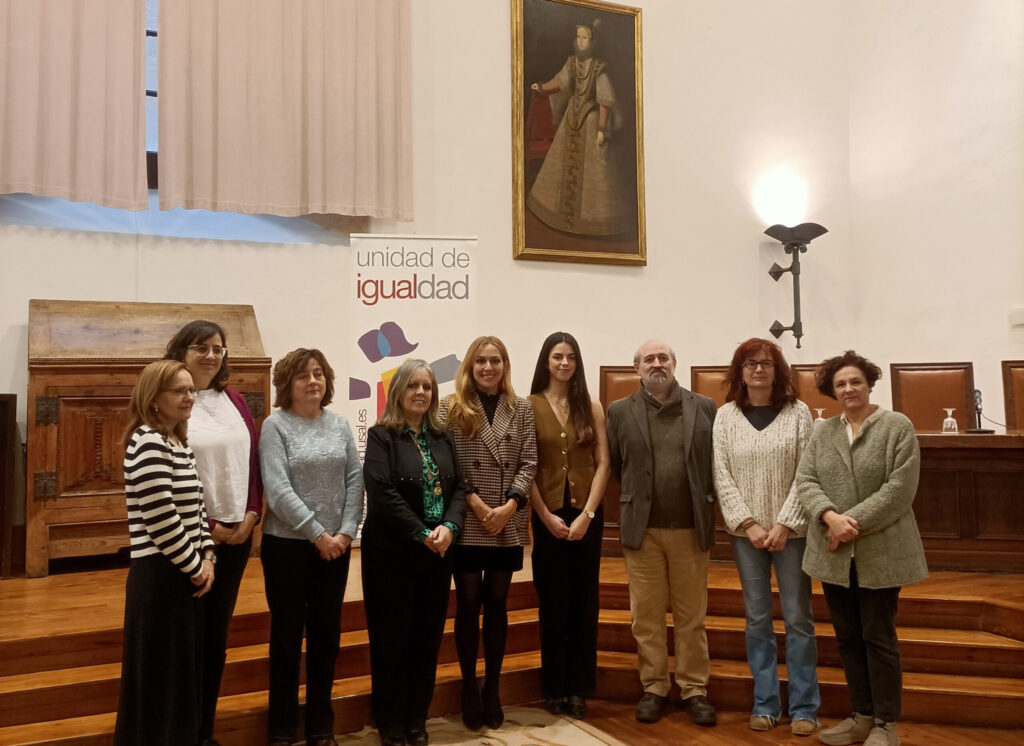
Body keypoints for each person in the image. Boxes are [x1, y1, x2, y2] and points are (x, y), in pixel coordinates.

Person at [797, 351, 927, 746]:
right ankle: (861, 716)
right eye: (841, 384)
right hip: (833, 552)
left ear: (869, 384)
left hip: (881, 551)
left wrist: (848, 523)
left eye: (855, 381)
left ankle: (886, 724)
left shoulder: (896, 426)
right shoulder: (823, 431)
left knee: (878, 637)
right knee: (848, 637)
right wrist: (828, 516)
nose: (849, 389)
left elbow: (899, 489)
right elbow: (806, 480)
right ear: (832, 391)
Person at [605, 339, 717, 727]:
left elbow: (713, 462)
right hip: (643, 530)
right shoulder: (620, 411)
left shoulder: (705, 407)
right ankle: (654, 686)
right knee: (646, 618)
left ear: (675, 364)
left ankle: (694, 689)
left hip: (691, 528)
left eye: (663, 358)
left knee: (691, 618)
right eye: (649, 359)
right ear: (636, 368)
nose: (657, 364)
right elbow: (616, 464)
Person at [712, 338, 819, 736]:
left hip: (793, 534)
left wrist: (785, 523)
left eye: (767, 363)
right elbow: (720, 475)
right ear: (739, 371)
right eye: (751, 363)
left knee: (798, 618)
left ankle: (805, 707)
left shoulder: (799, 413)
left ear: (778, 370)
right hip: (747, 536)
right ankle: (765, 702)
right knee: (757, 618)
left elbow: (807, 472)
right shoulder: (725, 417)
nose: (759, 369)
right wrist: (749, 524)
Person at [259, 348, 364, 746]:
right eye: (303, 375)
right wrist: (318, 534)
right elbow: (277, 488)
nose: (313, 381)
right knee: (287, 638)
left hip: (335, 548)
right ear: (288, 384)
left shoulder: (339, 424)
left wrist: (347, 532)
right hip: (287, 547)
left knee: (326, 638)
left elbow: (354, 479)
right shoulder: (275, 426)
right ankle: (282, 729)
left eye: (318, 373)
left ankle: (321, 725)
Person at [164, 320, 262, 746]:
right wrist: (210, 529)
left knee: (214, 638)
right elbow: (167, 479)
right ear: (181, 352)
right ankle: (180, 733)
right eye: (200, 347)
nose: (210, 355)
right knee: (185, 641)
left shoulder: (235, 400)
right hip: (189, 539)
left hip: (237, 536)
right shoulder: (169, 403)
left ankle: (204, 732)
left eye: (217, 348)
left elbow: (252, 462)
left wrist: (252, 515)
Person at [361, 359, 469, 746]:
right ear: (398, 391)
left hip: (437, 554)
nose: (421, 392)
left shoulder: (444, 436)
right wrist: (422, 533)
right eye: (413, 386)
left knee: (427, 638)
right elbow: (382, 492)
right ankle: (390, 721)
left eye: (427, 386)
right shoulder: (382, 436)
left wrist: (450, 527)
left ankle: (416, 719)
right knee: (391, 640)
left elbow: (461, 487)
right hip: (391, 554)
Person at [114, 360, 215, 746]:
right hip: (159, 578)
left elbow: (197, 509)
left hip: (183, 573)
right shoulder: (148, 441)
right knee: (158, 684)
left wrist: (209, 555)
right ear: (154, 399)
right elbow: (161, 518)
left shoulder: (176, 441)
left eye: (191, 390)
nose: (189, 397)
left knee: (179, 680)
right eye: (179, 391)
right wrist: (196, 566)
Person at [439, 336, 538, 730]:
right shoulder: (450, 407)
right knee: (467, 603)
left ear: (505, 366)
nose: (488, 367)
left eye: (495, 361)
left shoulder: (522, 408)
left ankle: (492, 687)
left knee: (497, 602)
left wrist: (511, 505)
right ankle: (468, 686)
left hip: (506, 518)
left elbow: (529, 461)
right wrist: (478, 506)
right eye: (480, 360)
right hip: (469, 518)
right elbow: (448, 466)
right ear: (470, 365)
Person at [527, 332, 609, 719]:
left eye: (571, 357)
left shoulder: (590, 405)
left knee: (584, 602)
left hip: (586, 516)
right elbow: (526, 467)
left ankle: (578, 686)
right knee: (553, 601)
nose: (564, 363)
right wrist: (544, 516)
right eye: (557, 356)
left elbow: (603, 463)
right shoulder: (528, 406)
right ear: (546, 361)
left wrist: (588, 515)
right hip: (548, 517)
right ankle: (554, 686)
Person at [527, 20, 628, 236]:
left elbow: (605, 100)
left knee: (596, 174)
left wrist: (602, 129)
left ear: (593, 41)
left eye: (585, 38)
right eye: (579, 37)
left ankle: (592, 221)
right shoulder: (571, 63)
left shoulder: (600, 68)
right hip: (571, 118)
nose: (580, 41)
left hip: (591, 121)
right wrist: (542, 87)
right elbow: (560, 81)